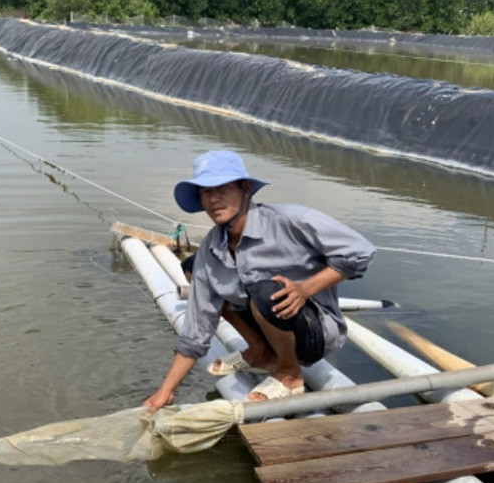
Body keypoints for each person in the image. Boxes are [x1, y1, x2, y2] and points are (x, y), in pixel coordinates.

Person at [143, 150, 375, 414]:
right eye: (206, 192)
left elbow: (360, 251)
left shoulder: (292, 221)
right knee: (194, 267)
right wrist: (166, 390)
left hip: (313, 332)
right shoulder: (211, 249)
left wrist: (304, 289)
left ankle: (289, 373)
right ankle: (260, 351)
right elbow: (197, 327)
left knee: (265, 291)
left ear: (246, 189)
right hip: (268, 322)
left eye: (223, 188)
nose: (214, 199)